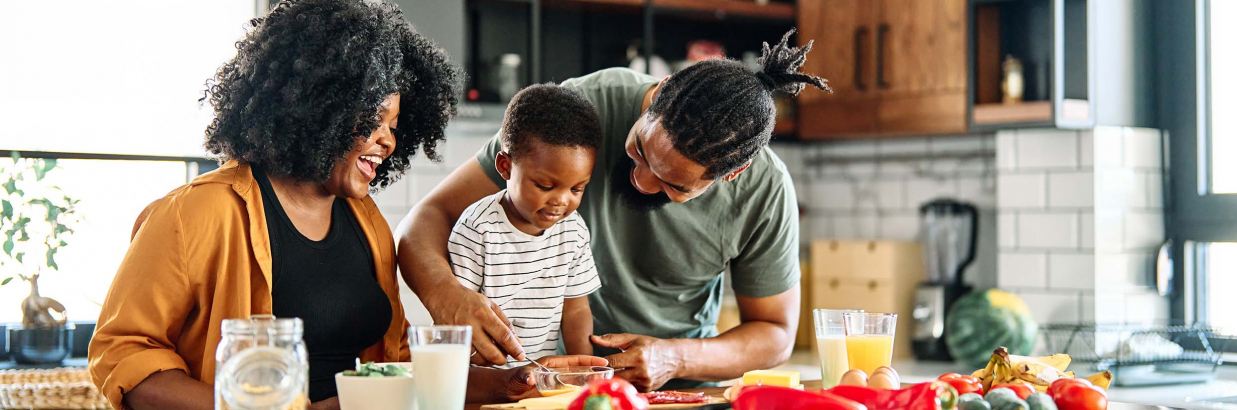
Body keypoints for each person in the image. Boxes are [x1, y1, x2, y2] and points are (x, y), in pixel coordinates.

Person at [88, 1, 601, 409]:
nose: (387, 142)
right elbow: (124, 355)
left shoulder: (367, 223)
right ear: (315, 108)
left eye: (395, 128)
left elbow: (398, 368)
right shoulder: (196, 213)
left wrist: (513, 382)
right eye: (372, 122)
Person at [398, 29, 831, 391]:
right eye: (639, 150)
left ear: (731, 175)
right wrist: (447, 297)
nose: (641, 180)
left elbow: (775, 334)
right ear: (659, 92)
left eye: (674, 185)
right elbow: (427, 218)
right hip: (543, 387)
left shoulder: (765, 190)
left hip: (670, 393)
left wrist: (674, 357)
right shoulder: (577, 112)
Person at [449, 84, 603, 367]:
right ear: (505, 166)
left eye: (577, 189)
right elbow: (458, 320)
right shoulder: (477, 229)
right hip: (484, 377)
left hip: (543, 378)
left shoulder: (573, 231)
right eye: (545, 185)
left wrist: (584, 373)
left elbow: (576, 311)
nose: (561, 201)